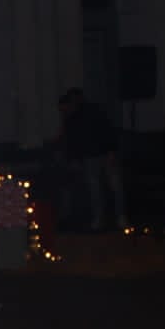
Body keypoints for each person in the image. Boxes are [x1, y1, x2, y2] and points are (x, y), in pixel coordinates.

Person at [56, 87, 123, 232]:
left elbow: (107, 130)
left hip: (103, 154)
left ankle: (118, 217)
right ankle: (102, 218)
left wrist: (111, 151)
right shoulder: (72, 119)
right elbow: (73, 142)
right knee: (97, 190)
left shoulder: (93, 112)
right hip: (91, 157)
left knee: (114, 187)